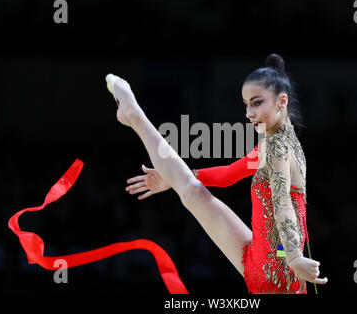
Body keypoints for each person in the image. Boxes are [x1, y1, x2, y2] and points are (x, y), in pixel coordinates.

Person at [109, 54, 327, 294]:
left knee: (190, 191)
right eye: (246, 104)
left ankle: (135, 117)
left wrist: (295, 258)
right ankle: (134, 116)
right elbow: (228, 174)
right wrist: (173, 178)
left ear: (281, 101)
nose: (248, 113)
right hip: (267, 258)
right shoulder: (273, 144)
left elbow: (282, 201)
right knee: (192, 191)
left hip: (279, 270)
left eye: (256, 103)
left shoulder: (278, 148)